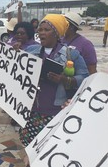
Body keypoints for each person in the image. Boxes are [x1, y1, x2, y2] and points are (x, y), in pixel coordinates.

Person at [19, 14, 89, 147]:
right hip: (32, 109)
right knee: (30, 144)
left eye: (46, 30)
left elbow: (85, 77)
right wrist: (16, 55)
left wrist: (64, 79)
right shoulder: (31, 51)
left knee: (49, 146)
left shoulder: (71, 54)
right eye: (40, 30)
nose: (41, 33)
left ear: (57, 33)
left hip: (56, 111)